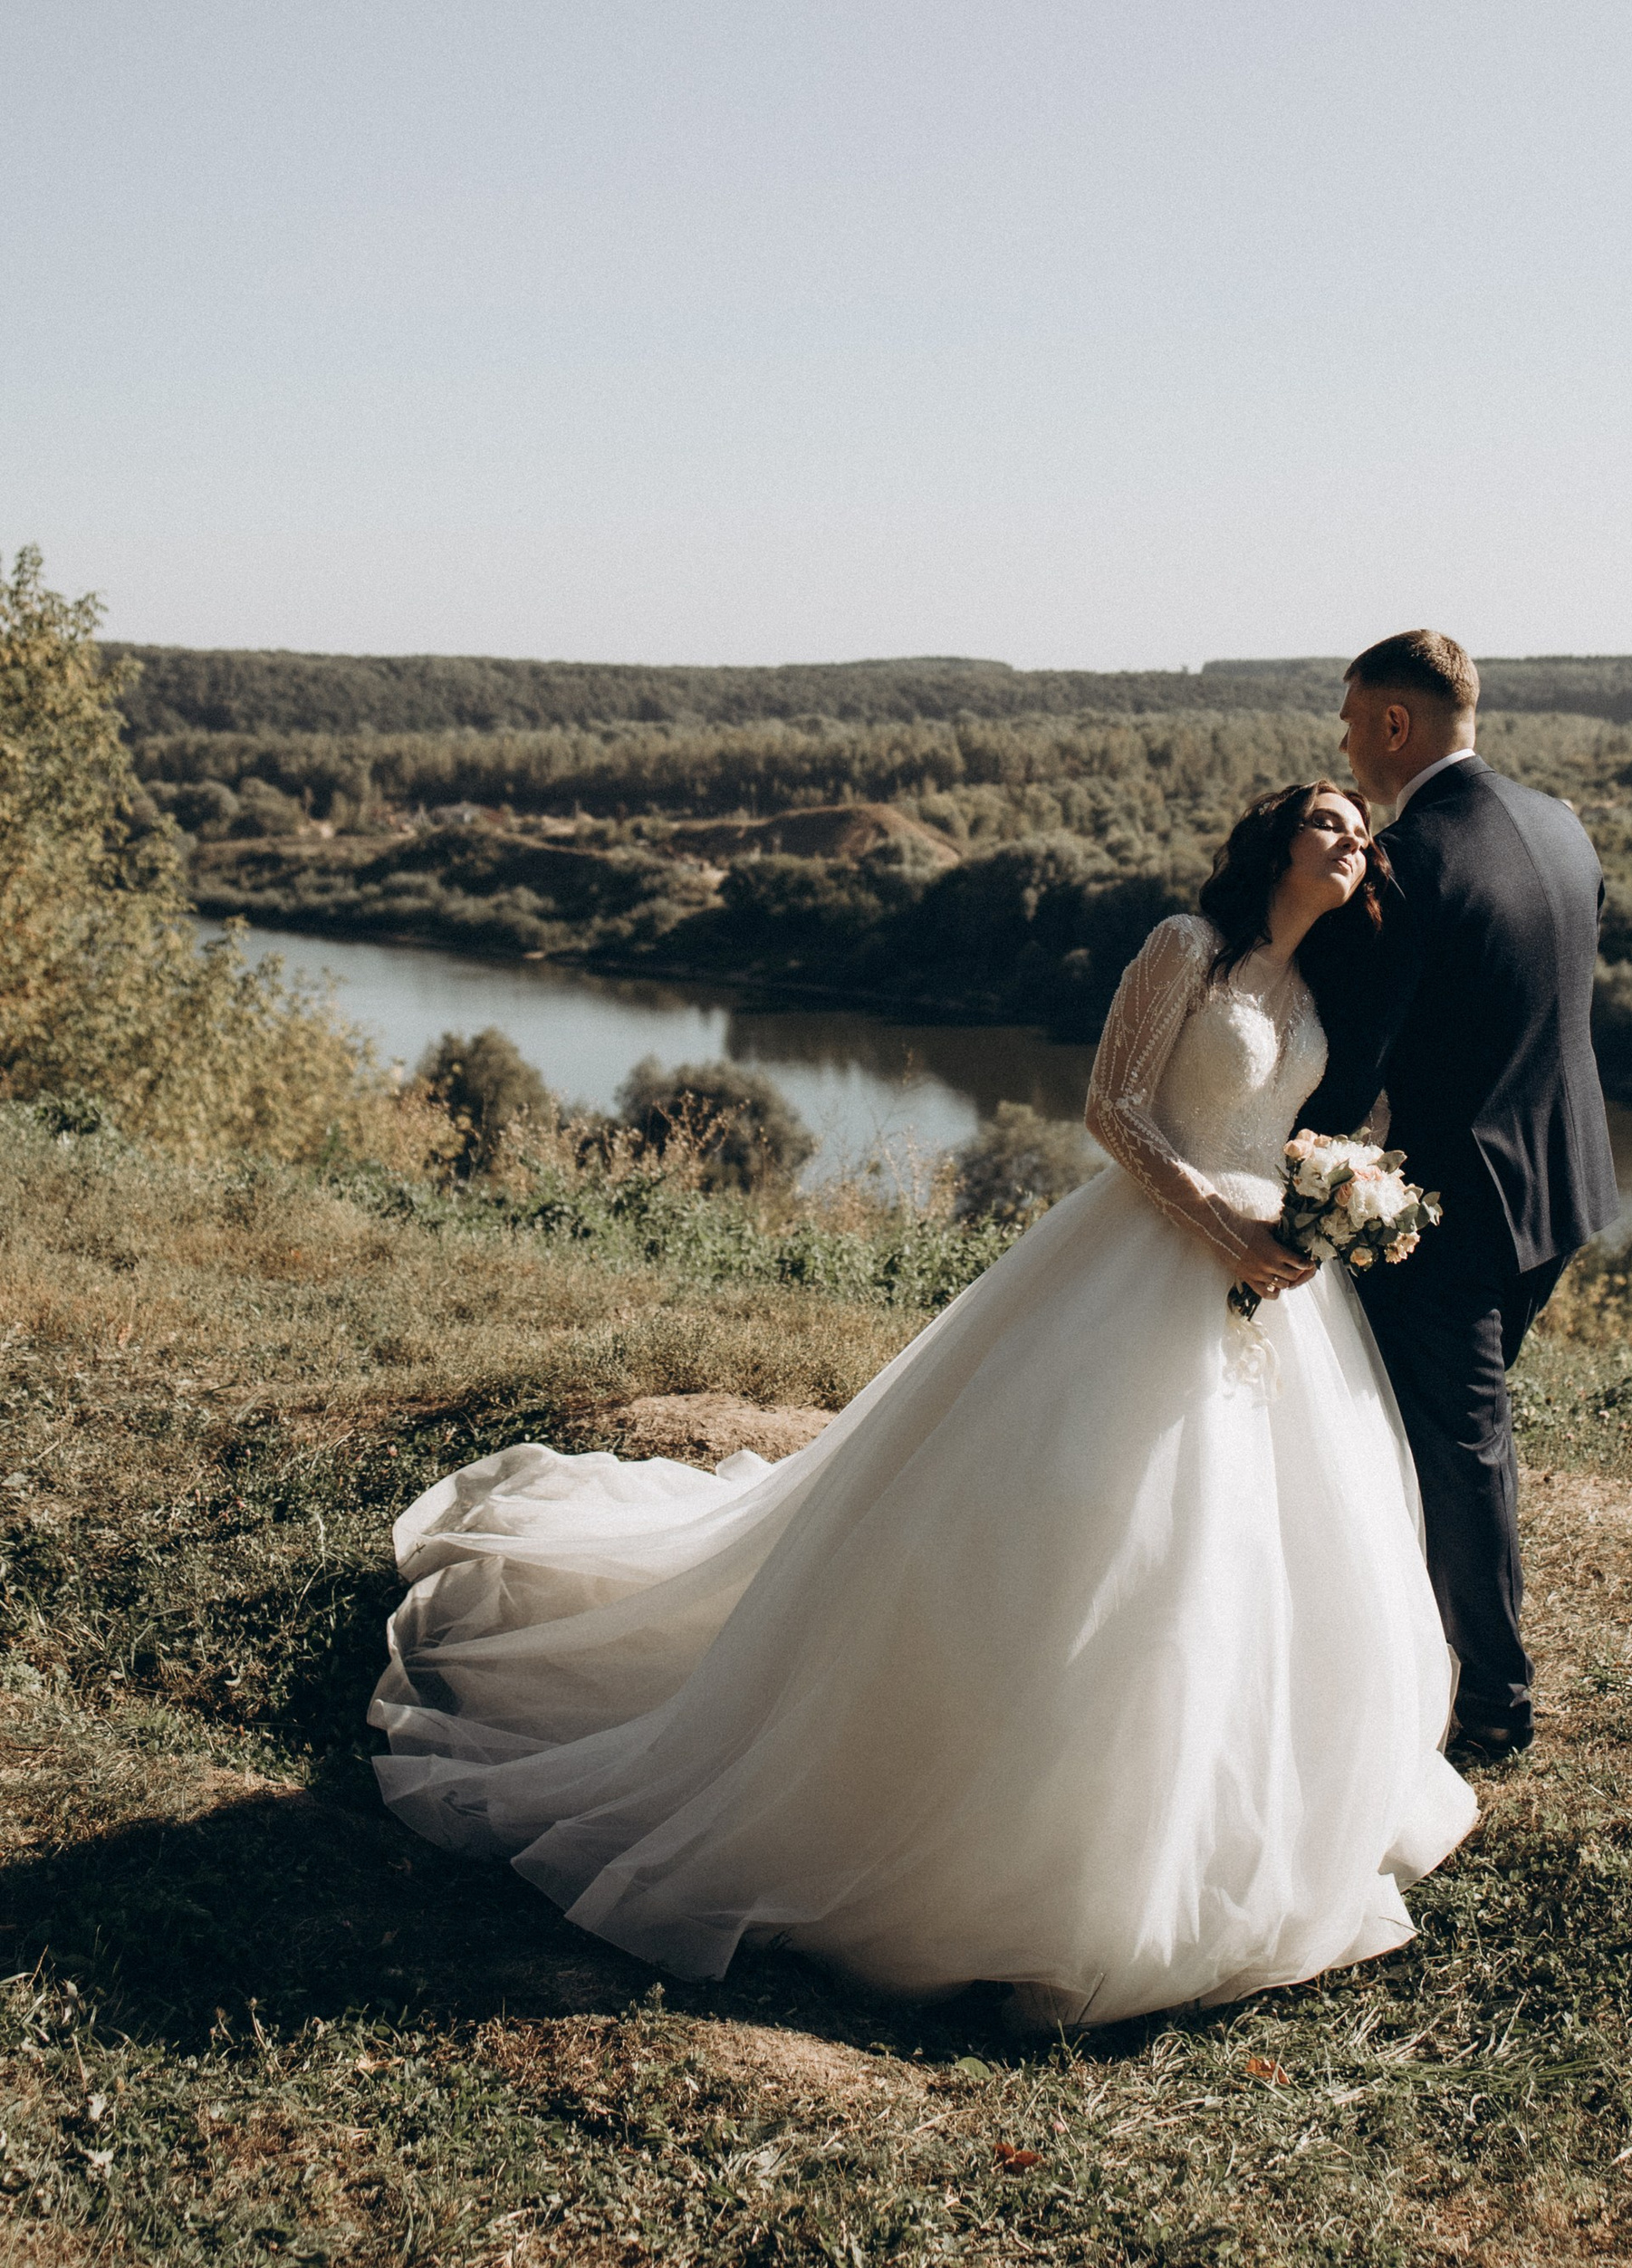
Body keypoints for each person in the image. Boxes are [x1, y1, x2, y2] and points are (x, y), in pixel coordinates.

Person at [370, 783, 1474, 2030]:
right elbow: (1112, 1109)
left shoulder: (1322, 997)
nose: (1353, 845)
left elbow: (1316, 1123)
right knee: (1075, 1514)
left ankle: (1216, 1818)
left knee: (1248, 1545)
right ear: (1275, 841)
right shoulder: (1185, 949)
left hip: (1268, 1292)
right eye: (1330, 823)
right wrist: (1213, 1220)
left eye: (1364, 837)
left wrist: (1340, 1193)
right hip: (1145, 1260)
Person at [1300, 629, 1619, 1766]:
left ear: (1395, 724)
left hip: (1452, 1210)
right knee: (1450, 1430)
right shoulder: (1559, 823)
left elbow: (1355, 1058)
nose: (1341, 741)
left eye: (1349, 719)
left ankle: (1492, 1700)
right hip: (1562, 1185)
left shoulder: (1410, 860)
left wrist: (1286, 1153)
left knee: (1457, 1444)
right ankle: (1406, 1644)